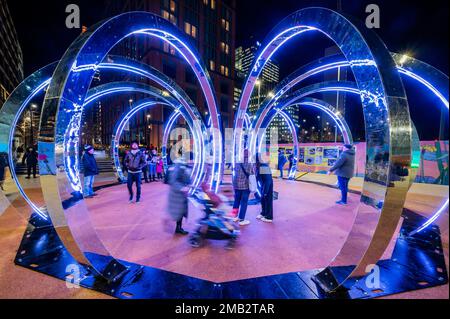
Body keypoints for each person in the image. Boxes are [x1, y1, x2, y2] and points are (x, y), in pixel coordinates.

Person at [231, 149, 256, 226]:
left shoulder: (237, 163)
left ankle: (234, 216)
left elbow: (233, 171)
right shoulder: (249, 164)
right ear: (249, 155)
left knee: (236, 201)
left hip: (237, 186)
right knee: (244, 203)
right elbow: (252, 174)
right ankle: (241, 219)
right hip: (245, 186)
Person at [167, 157, 191, 235]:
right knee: (179, 211)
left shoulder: (184, 167)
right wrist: (182, 188)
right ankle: (177, 227)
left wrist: (189, 185)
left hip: (181, 194)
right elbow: (173, 181)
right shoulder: (178, 167)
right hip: (177, 194)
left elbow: (186, 179)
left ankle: (178, 228)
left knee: (181, 211)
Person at [256, 153, 274, 223]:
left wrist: (265, 191)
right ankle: (264, 213)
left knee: (268, 201)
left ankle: (269, 217)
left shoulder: (263, 166)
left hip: (267, 187)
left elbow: (268, 180)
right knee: (263, 200)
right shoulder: (260, 165)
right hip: (263, 186)